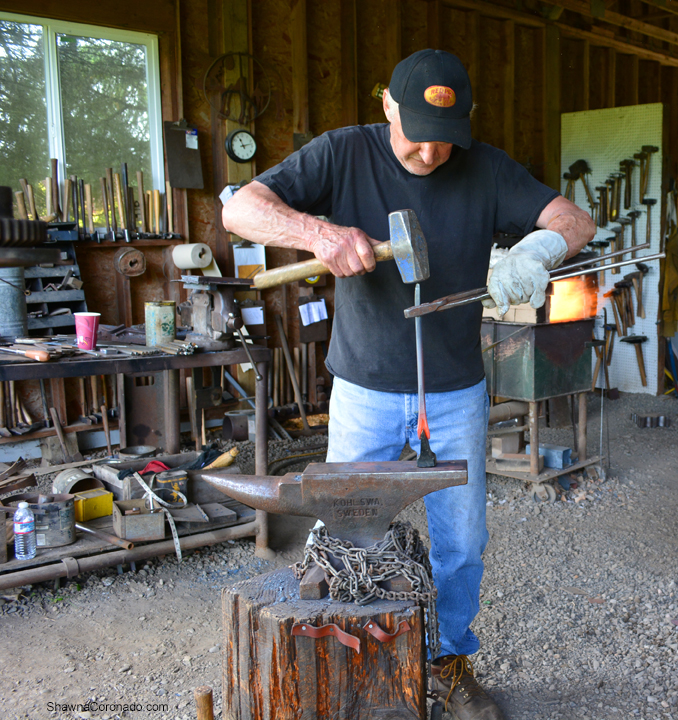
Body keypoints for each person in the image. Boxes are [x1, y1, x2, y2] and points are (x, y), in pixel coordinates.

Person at [222, 48, 595, 720]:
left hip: (453, 391)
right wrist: (318, 234)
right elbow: (240, 210)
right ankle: (346, 660)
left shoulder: (483, 166)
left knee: (460, 543)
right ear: (387, 106)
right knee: (345, 536)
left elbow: (575, 220)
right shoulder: (342, 154)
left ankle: (450, 660)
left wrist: (541, 249)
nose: (428, 153)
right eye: (415, 134)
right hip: (363, 388)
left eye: (443, 142)